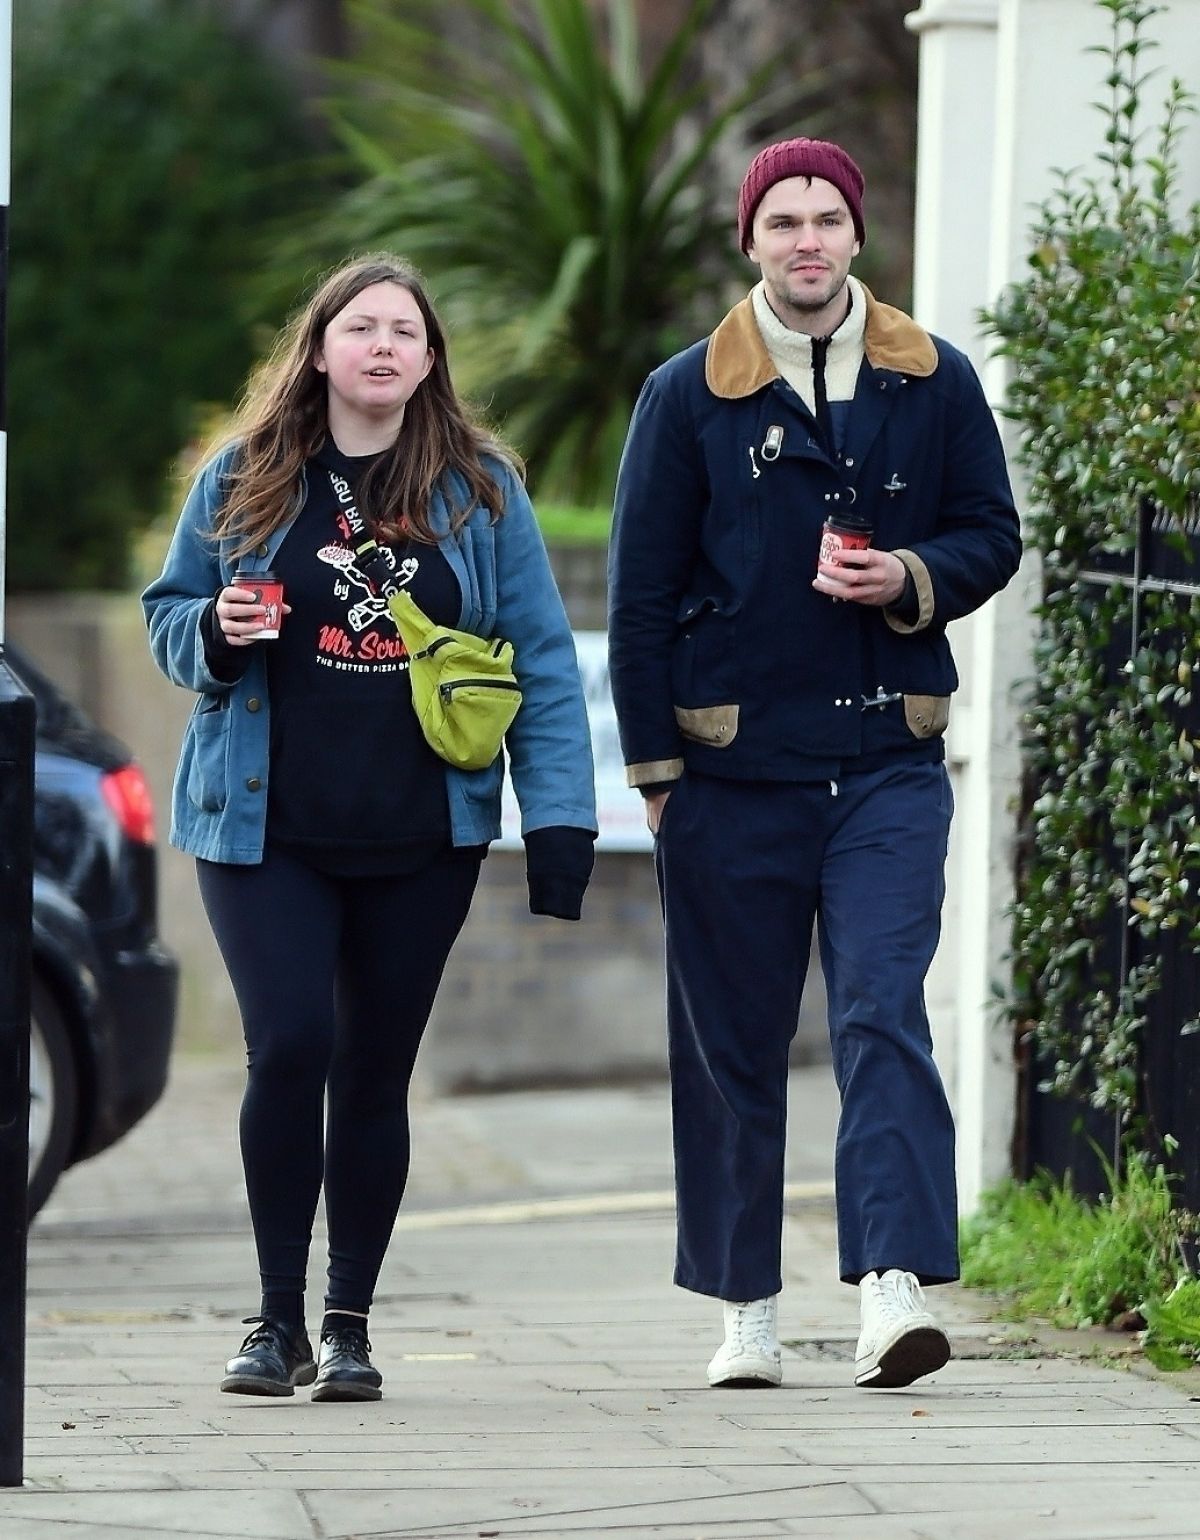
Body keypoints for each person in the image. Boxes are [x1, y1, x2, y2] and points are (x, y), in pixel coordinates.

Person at [144, 253, 597, 1402]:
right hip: (264, 827)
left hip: (421, 834)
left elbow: (539, 656)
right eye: (362, 326)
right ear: (321, 347)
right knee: (289, 1043)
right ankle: (273, 1317)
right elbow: (167, 615)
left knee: (373, 1070)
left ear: (431, 359)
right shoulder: (242, 476)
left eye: (407, 329)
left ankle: (346, 1323)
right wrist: (215, 628)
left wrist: (558, 818)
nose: (384, 344)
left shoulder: (481, 489)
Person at [607, 138, 1021, 1390]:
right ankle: (746, 1306)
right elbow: (638, 600)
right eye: (781, 218)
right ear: (750, 240)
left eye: (827, 216)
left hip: (888, 758)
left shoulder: (933, 377)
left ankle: (892, 1289)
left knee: (881, 1009)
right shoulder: (685, 396)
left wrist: (908, 579)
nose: (806, 239)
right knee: (733, 1040)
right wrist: (658, 775)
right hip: (731, 779)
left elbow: (990, 534)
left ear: (856, 234)